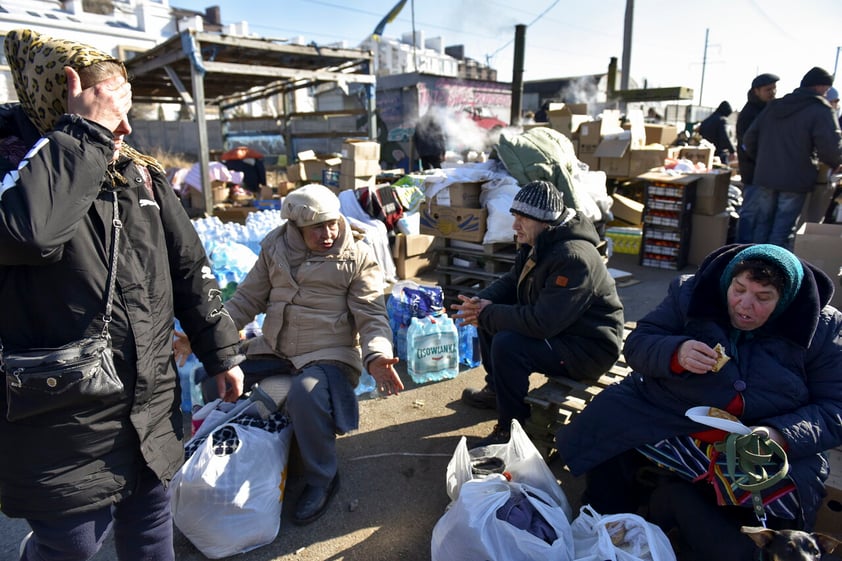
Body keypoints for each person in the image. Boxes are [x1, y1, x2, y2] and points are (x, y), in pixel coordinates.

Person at [0, 29, 245, 561]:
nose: (125, 128)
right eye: (109, 109)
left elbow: (189, 267)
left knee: (151, 525)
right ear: (61, 97)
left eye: (122, 109)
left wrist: (220, 350)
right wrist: (84, 133)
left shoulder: (139, 173)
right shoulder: (14, 164)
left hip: (147, 398)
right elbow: (31, 232)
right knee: (72, 544)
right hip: (61, 411)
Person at [555, 243, 842, 561]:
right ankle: (605, 522)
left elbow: (835, 407)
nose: (744, 306)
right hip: (672, 411)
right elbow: (639, 342)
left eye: (763, 298)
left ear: (785, 300)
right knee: (610, 429)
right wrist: (675, 353)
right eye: (739, 289)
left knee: (781, 502)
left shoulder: (823, 328)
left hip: (760, 439)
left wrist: (780, 434)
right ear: (729, 280)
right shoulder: (692, 291)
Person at [192, 183, 403, 525]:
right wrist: (207, 338)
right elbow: (246, 300)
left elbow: (372, 315)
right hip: (277, 348)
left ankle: (322, 478)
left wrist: (378, 356)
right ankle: (246, 459)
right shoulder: (276, 247)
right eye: (317, 227)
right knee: (213, 377)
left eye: (333, 223)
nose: (329, 233)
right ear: (295, 227)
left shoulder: (357, 257)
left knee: (305, 393)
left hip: (329, 353)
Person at [453, 180, 624, 447]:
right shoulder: (541, 240)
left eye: (522, 219)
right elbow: (513, 281)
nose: (514, 225)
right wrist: (480, 301)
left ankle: (512, 429)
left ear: (545, 222)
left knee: (507, 343)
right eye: (515, 216)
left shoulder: (573, 258)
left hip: (589, 348)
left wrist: (489, 312)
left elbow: (543, 323)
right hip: (565, 331)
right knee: (487, 317)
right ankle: (498, 391)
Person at [740, 66, 842, 249]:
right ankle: (771, 272)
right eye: (826, 89)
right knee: (782, 229)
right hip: (795, 179)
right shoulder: (820, 110)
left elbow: (749, 139)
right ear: (819, 87)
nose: (826, 93)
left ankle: (753, 264)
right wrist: (836, 163)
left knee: (762, 224)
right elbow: (830, 147)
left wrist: (764, 160)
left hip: (766, 176)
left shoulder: (775, 106)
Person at [736, 73, 779, 242]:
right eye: (768, 89)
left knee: (761, 215)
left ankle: (754, 250)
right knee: (750, 213)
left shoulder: (766, 109)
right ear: (756, 91)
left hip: (762, 172)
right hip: (754, 172)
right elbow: (748, 144)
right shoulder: (750, 113)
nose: (773, 92)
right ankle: (742, 250)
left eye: (774, 89)